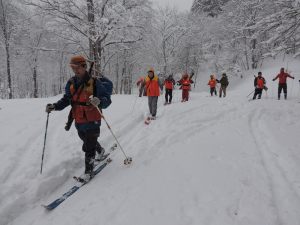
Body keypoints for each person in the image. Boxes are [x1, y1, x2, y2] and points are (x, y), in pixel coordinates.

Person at [45, 55, 112, 181]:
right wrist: (55, 106)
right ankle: (101, 150)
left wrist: (100, 101)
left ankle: (88, 171)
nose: (75, 70)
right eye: (73, 68)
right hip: (79, 118)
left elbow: (107, 100)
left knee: (89, 146)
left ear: (84, 66)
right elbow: (66, 99)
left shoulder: (94, 82)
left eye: (77, 67)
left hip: (93, 118)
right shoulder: (71, 83)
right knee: (84, 138)